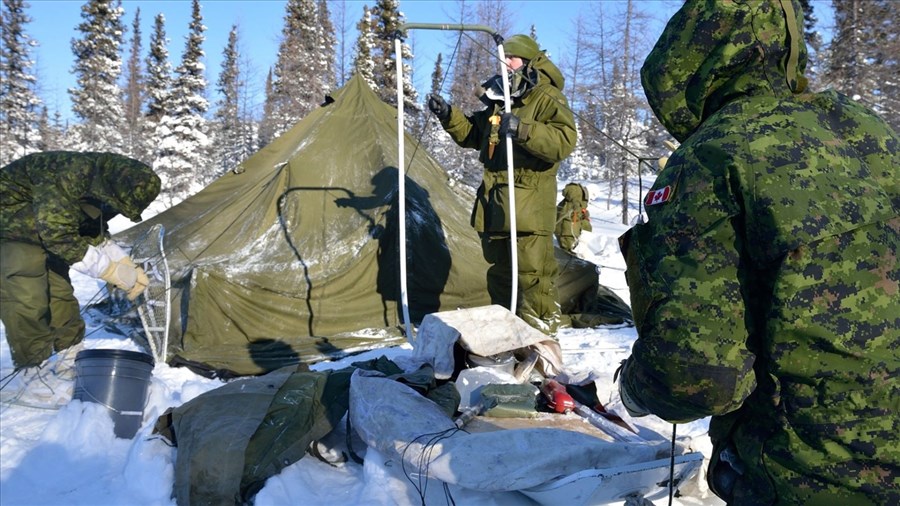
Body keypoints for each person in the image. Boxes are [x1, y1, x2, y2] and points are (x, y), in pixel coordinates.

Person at [615, 0, 899, 504]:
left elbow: (699, 374)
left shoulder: (713, 154)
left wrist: (637, 388)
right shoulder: (867, 130)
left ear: (688, 57)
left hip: (808, 476)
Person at [427, 34, 577, 335]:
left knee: (533, 276)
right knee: (500, 276)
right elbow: (473, 135)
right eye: (503, 57)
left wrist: (523, 129)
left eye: (512, 58)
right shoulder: (500, 100)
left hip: (529, 207)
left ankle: (539, 342)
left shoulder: (546, 97)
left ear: (528, 61)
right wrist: (448, 116)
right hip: (495, 205)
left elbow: (563, 141)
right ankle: (505, 337)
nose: (506, 63)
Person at [0, 151, 161, 373]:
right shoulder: (68, 173)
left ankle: (70, 360)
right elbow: (59, 236)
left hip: (46, 229)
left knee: (60, 295)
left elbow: (90, 229)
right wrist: (110, 270)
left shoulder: (100, 184)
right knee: (27, 297)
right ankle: (33, 372)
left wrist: (124, 262)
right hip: (10, 229)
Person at [555, 182, 592, 253]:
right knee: (567, 253)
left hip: (569, 231)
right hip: (566, 232)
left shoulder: (580, 202)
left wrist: (584, 215)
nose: (592, 199)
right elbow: (571, 216)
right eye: (593, 195)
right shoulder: (576, 198)